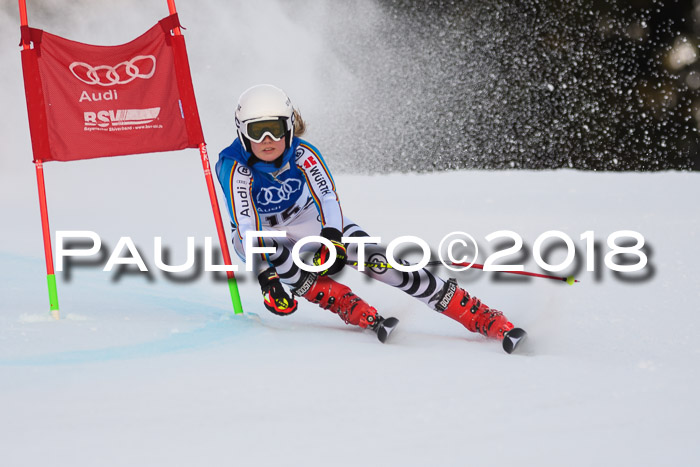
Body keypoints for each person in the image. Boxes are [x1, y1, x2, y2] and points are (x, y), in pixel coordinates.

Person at [215, 84, 524, 349]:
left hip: (306, 218)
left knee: (381, 263)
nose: (267, 139)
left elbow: (327, 198)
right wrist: (266, 278)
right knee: (275, 256)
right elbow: (246, 226)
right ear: (242, 133)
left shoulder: (302, 153)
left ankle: (478, 315)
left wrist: (333, 237)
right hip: (258, 234)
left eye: (275, 128)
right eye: (257, 131)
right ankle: (339, 300)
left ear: (289, 127)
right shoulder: (235, 167)